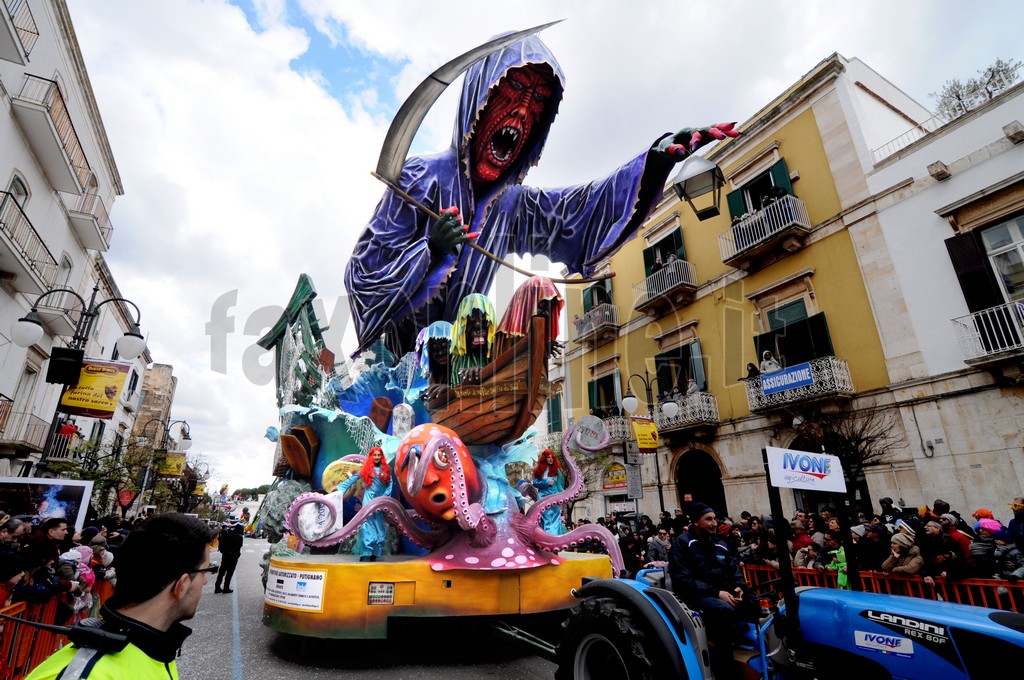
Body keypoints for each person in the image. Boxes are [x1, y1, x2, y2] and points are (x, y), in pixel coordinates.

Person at [344, 32, 737, 357]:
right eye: (513, 88)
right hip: (398, 365)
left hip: (464, 367)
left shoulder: (515, 206)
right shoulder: (420, 177)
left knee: (538, 293)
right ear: (480, 96)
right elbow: (361, 278)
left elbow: (583, 211)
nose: (521, 112)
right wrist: (429, 249)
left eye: (537, 102)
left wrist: (653, 163)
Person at [27, 513, 216, 680]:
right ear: (181, 585)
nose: (206, 581)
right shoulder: (86, 674)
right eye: (205, 571)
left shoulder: (156, 651)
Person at [668, 503, 756, 679]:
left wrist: (740, 588)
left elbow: (733, 570)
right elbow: (683, 580)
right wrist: (717, 593)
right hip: (695, 598)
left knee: (755, 603)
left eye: (715, 518)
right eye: (708, 519)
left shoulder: (721, 544)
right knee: (723, 610)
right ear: (695, 522)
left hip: (723, 594)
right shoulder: (682, 544)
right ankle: (725, 668)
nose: (715, 523)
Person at [337, 447, 394, 561]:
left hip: (380, 501)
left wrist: (384, 498)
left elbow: (390, 486)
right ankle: (366, 552)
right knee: (367, 525)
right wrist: (339, 490)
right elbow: (351, 480)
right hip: (368, 500)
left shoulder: (386, 470)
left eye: (379, 455)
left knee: (379, 525)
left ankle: (376, 552)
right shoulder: (365, 470)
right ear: (371, 456)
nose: (377, 457)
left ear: (381, 457)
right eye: (375, 455)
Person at [532, 449, 565, 535]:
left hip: (554, 497)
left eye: (552, 457)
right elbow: (535, 483)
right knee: (545, 518)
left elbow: (559, 486)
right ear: (544, 459)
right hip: (543, 497)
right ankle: (547, 536)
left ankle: (554, 539)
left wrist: (565, 495)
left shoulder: (557, 471)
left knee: (555, 518)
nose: (550, 459)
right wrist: (546, 483)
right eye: (548, 457)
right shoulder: (539, 471)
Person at [214, 523, 242, 594]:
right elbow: (238, 547)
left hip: (225, 556)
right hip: (233, 557)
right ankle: (226, 588)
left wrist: (224, 551)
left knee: (221, 572)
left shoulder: (228, 534)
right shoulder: (239, 537)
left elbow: (222, 543)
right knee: (229, 573)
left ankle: (217, 587)